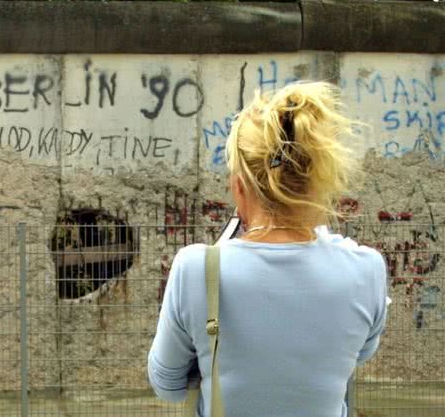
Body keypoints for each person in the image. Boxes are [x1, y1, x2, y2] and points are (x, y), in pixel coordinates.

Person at [148, 82, 388, 417]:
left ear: (239, 186)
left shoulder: (198, 268)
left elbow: (166, 385)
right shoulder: (367, 270)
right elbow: (358, 354)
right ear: (318, 181)